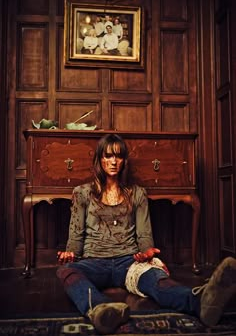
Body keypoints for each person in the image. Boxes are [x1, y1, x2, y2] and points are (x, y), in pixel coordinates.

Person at [57, 133, 236, 335]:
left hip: (129, 262)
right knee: (67, 271)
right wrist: (70, 253)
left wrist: (148, 254)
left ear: (124, 160)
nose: (114, 161)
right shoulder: (82, 193)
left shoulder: (138, 193)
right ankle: (100, 310)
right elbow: (76, 234)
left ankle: (201, 302)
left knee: (157, 279)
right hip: (93, 261)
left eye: (119, 156)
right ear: (99, 160)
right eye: (108, 156)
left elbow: (144, 235)